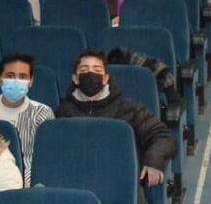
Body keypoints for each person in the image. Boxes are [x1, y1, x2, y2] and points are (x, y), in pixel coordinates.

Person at [56, 50, 177, 196]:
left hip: (120, 187)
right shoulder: (63, 112)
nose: (90, 74)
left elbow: (162, 136)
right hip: (77, 186)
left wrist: (153, 160)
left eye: (97, 70)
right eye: (84, 70)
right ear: (75, 78)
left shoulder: (129, 108)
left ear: (105, 78)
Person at [0, 52, 53, 185]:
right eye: (10, 76)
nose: (16, 81)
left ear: (31, 81)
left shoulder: (42, 113)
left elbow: (46, 158)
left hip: (29, 184)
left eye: (23, 76)